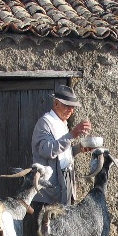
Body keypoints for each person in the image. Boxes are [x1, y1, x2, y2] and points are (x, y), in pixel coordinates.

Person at [30, 84, 93, 214]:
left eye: (73, 107)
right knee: (46, 231)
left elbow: (62, 155)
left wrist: (79, 149)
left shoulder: (62, 123)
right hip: (48, 190)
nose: (71, 110)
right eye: (67, 105)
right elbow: (47, 151)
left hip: (65, 183)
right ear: (56, 103)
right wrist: (73, 134)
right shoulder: (45, 122)